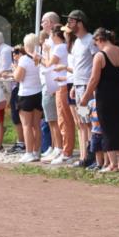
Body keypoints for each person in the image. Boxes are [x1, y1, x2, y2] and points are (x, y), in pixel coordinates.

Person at [80, 28, 119, 172]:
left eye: (96, 43)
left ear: (99, 40)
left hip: (105, 95)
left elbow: (94, 79)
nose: (96, 46)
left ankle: (112, 164)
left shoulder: (99, 56)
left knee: (106, 128)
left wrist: (85, 97)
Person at [67, 10, 98, 167]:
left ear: (80, 22)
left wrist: (89, 87)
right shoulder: (77, 42)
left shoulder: (90, 40)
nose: (69, 24)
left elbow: (95, 64)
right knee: (82, 121)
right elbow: (77, 66)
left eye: (71, 21)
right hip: (79, 86)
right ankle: (84, 156)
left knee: (89, 121)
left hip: (87, 86)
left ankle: (92, 155)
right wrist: (73, 84)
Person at [12, 36, 43, 162]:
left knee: (26, 125)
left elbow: (18, 77)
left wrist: (14, 69)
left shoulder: (24, 59)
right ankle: (36, 151)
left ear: (26, 45)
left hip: (26, 94)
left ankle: (29, 152)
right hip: (38, 92)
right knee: (36, 125)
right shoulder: (40, 57)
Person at [49, 27, 75, 165]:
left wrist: (41, 55)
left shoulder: (61, 47)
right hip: (65, 83)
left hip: (65, 85)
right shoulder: (68, 48)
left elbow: (49, 64)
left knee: (64, 119)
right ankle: (68, 150)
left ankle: (67, 151)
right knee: (68, 120)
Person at [39, 12, 63, 161]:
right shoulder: (48, 40)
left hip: (53, 82)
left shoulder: (55, 42)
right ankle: (55, 146)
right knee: (50, 118)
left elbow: (51, 63)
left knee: (55, 118)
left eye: (44, 21)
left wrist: (39, 59)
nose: (42, 24)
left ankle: (59, 147)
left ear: (51, 23)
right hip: (46, 81)